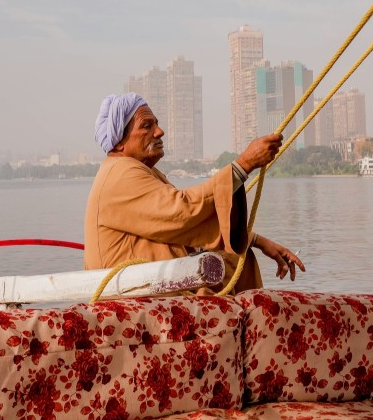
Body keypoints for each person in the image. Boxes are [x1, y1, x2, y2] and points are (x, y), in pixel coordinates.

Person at [84, 92, 304, 293]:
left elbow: (183, 223)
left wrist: (257, 241)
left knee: (236, 260)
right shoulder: (121, 174)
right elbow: (182, 212)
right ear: (120, 142)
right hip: (137, 303)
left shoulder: (138, 171)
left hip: (154, 292)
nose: (159, 132)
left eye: (157, 125)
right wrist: (243, 165)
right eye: (146, 126)